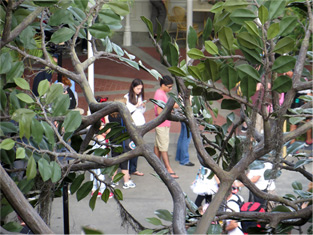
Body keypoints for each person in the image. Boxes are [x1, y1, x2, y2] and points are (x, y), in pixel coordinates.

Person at [153, 75, 179, 179]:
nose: (170, 89)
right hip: (162, 125)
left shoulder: (161, 93)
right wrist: (173, 106)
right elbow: (160, 112)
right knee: (163, 147)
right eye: (169, 87)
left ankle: (157, 166)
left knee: (158, 146)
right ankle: (168, 168)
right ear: (163, 85)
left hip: (162, 124)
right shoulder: (160, 94)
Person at [108, 98, 136, 189]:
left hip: (113, 141)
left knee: (115, 161)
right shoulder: (123, 116)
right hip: (123, 142)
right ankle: (126, 181)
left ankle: (113, 181)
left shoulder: (110, 116)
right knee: (124, 162)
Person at [124, 78, 146, 176]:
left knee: (137, 146)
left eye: (141, 89)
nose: (139, 91)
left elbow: (140, 112)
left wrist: (143, 106)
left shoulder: (139, 96)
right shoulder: (127, 97)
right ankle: (127, 170)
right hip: (132, 125)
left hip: (140, 123)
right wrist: (136, 105)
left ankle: (133, 169)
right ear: (133, 87)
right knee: (130, 147)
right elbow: (127, 111)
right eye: (138, 89)